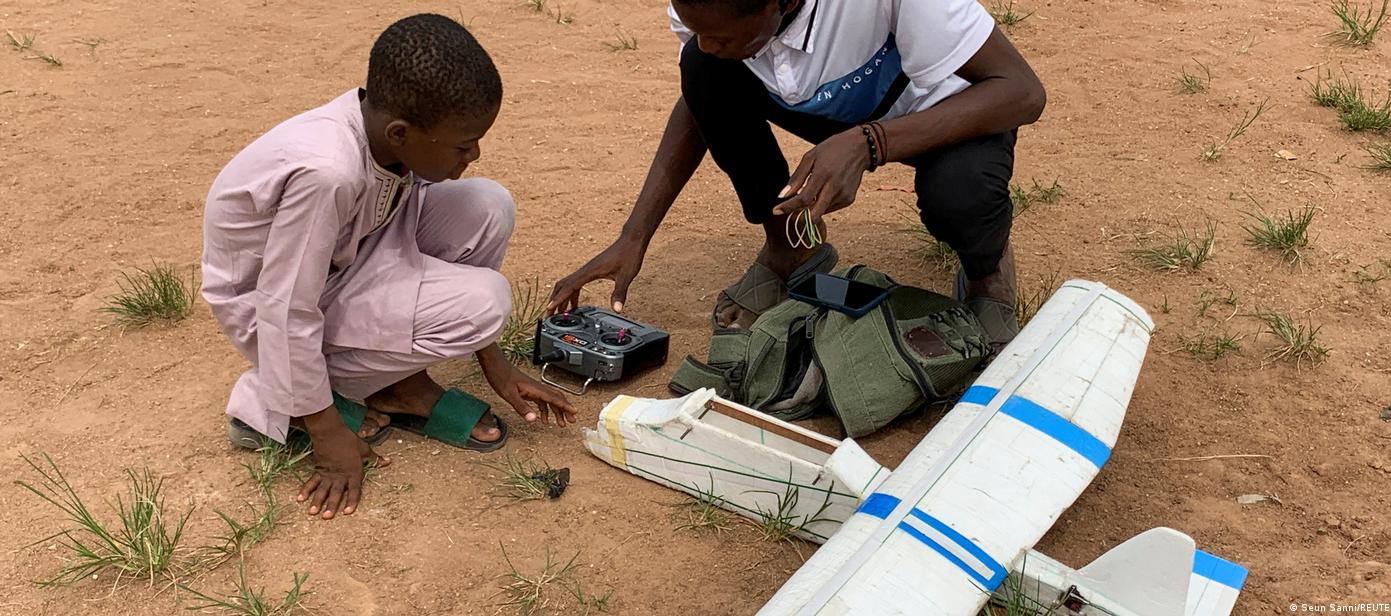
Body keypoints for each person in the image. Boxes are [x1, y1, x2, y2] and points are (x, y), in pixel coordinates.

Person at [201, 14, 576, 520]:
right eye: (464, 144)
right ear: (400, 133)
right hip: (272, 307)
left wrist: (496, 365)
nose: (475, 153)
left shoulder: (383, 136)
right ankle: (279, 404)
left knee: (488, 205)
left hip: (354, 255)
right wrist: (329, 436)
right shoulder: (327, 174)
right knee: (484, 301)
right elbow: (284, 307)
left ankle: (397, 378)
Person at [548, 0, 1045, 346]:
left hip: (949, 115)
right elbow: (701, 99)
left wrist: (871, 142)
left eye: (722, 34)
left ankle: (987, 272)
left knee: (959, 198)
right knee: (703, 69)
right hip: (838, 110)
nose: (705, 40)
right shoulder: (716, 15)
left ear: (781, 4)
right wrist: (635, 235)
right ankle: (792, 246)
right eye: (694, 25)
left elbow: (1022, 91)